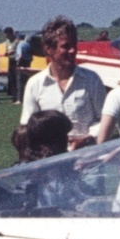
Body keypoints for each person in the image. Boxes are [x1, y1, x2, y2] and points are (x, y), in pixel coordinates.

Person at [21, 16, 107, 148]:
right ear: (48, 49)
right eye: (66, 46)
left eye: (74, 45)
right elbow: (28, 126)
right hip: (51, 161)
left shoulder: (92, 80)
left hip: (89, 159)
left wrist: (88, 139)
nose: (73, 50)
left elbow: (105, 120)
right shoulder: (35, 84)